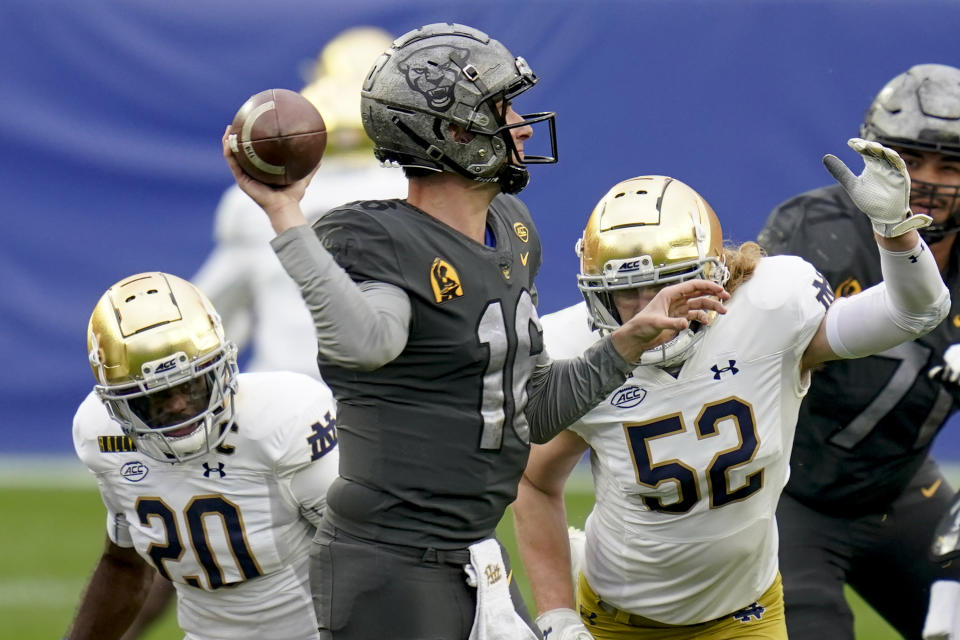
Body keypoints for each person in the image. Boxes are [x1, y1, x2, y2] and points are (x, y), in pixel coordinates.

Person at [221, 21, 729, 640]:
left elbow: (534, 410)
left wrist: (629, 341)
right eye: (501, 108)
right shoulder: (374, 235)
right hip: (391, 560)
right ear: (453, 132)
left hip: (472, 552)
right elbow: (367, 343)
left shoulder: (511, 228)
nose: (519, 124)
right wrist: (285, 216)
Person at [513, 144, 950, 640]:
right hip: (615, 620)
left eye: (666, 286)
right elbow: (533, 481)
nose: (646, 310)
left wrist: (895, 232)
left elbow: (914, 313)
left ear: (712, 271)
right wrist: (556, 614)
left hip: (747, 615)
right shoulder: (575, 348)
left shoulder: (768, 309)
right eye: (624, 292)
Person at [756, 63, 960, 640]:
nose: (925, 180)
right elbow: (750, 357)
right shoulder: (816, 231)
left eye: (949, 165)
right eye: (909, 160)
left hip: (901, 490)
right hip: (790, 494)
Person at [64, 272, 340, 640]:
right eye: (155, 397)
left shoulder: (283, 421)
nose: (179, 405)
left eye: (190, 385)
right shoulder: (103, 435)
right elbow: (124, 565)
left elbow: (372, 553)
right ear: (118, 404)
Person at [193, 25, 406, 377]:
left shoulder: (252, 202)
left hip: (283, 395)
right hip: (383, 404)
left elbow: (210, 327)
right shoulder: (416, 191)